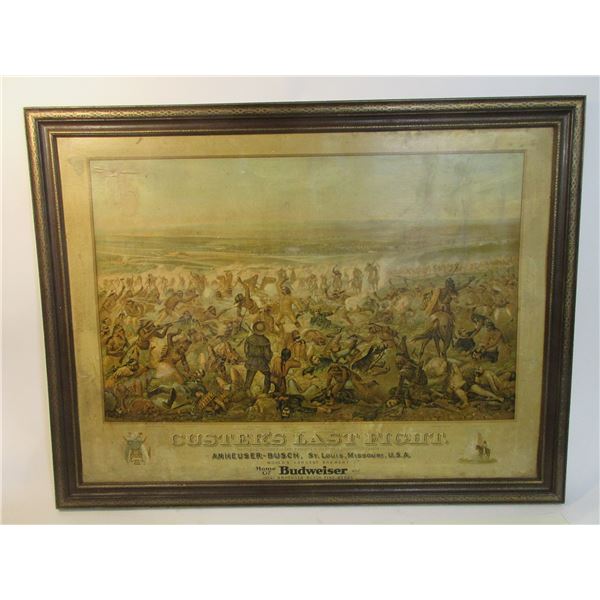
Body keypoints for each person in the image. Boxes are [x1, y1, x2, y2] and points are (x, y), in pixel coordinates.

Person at [243, 321, 273, 394]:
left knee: (250, 375)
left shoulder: (249, 338)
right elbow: (267, 354)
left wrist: (248, 356)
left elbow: (246, 349)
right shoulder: (265, 340)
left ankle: (246, 389)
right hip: (262, 362)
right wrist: (269, 358)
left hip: (251, 361)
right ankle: (266, 391)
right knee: (268, 375)